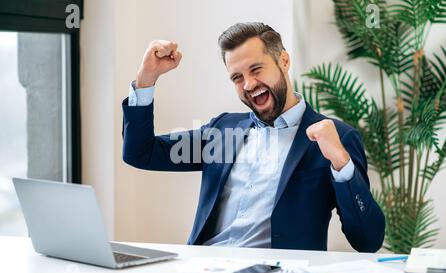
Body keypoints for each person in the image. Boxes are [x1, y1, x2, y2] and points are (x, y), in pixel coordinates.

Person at [121, 22, 385, 252]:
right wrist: (146, 78)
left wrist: (341, 163)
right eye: (237, 77)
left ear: (284, 61)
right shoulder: (222, 131)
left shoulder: (336, 137)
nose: (248, 84)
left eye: (256, 69)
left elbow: (367, 240)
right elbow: (140, 152)